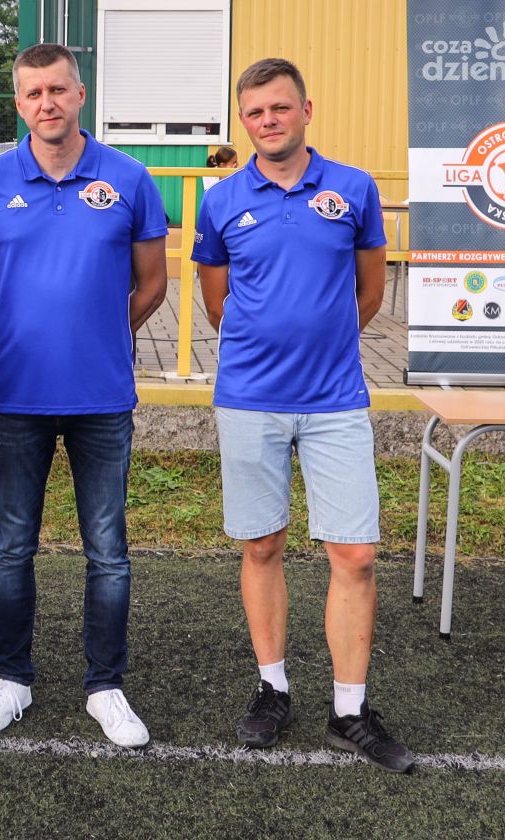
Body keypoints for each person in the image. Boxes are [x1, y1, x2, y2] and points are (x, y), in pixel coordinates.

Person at [191, 58, 414, 773]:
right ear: (244, 121)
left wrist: (322, 341)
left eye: (280, 107)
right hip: (249, 399)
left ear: (306, 110)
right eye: (255, 112)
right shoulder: (222, 200)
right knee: (262, 546)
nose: (269, 121)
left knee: (356, 554)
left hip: (336, 400)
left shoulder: (353, 188)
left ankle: (349, 710)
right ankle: (273, 687)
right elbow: (217, 303)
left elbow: (370, 292)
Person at [0, 43, 168, 748]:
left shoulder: (129, 178)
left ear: (80, 94)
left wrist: (104, 329)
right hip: (15, 396)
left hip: (102, 398)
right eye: (32, 93)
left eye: (57, 89)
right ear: (19, 103)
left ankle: (106, 686)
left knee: (108, 551)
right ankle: (11, 679)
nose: (46, 103)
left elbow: (153, 284)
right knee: (11, 546)